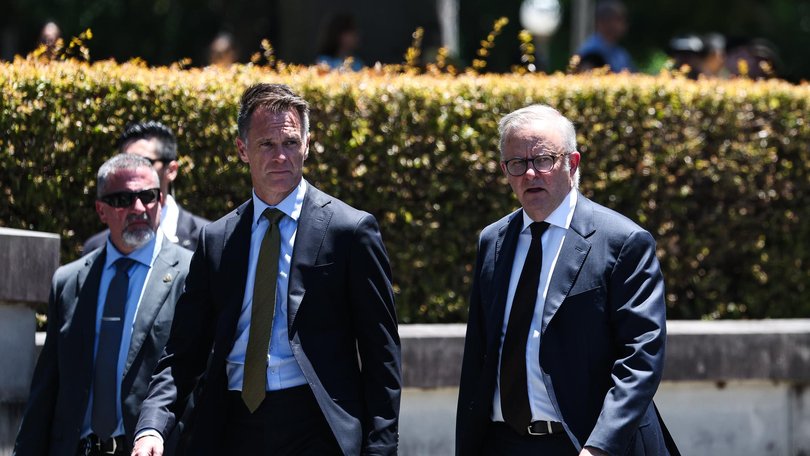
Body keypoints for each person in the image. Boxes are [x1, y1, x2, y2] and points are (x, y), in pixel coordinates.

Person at [132, 83, 401, 456]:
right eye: (267, 145)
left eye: (290, 143)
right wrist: (152, 427)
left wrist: (381, 448)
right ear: (242, 150)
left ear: (307, 144)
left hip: (318, 426)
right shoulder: (218, 239)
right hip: (232, 426)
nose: (281, 157)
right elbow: (183, 352)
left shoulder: (349, 231)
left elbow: (381, 354)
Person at [455, 105, 678, 455]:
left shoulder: (621, 241)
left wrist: (600, 447)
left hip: (584, 444)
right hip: (502, 443)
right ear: (505, 171)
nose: (530, 174)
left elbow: (641, 357)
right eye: (517, 163)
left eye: (543, 159)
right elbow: (479, 355)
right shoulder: (493, 240)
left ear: (572, 164)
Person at [13, 154, 192, 456]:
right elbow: (46, 391)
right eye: (122, 199)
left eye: (147, 196)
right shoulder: (69, 282)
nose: (138, 208)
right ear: (101, 210)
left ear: (160, 200)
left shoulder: (191, 274)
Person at [83, 121, 209, 255]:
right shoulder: (96, 248)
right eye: (126, 162)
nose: (134, 170)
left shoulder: (205, 241)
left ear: (171, 170)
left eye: (145, 162)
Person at [576, 0, 635, 73]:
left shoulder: (619, 52)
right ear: (605, 21)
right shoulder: (591, 53)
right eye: (619, 19)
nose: (624, 24)